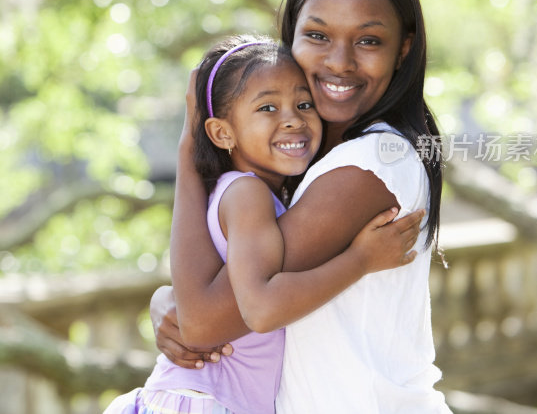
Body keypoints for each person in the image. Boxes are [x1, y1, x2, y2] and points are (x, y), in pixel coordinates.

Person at [151, 0, 451, 413]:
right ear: (289, 36)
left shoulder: (370, 163)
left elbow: (207, 322)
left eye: (368, 41)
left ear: (403, 49)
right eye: (317, 35)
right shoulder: (298, 163)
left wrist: (191, 153)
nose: (340, 62)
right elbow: (216, 294)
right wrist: (167, 302)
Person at [104, 35, 423, 414]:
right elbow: (263, 308)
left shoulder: (239, 193)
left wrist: (164, 299)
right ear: (223, 132)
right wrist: (361, 261)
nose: (292, 118)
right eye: (268, 107)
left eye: (304, 104)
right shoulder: (248, 195)